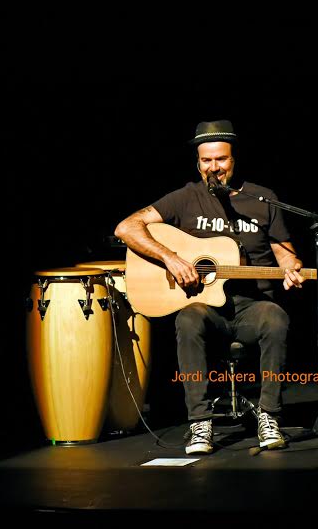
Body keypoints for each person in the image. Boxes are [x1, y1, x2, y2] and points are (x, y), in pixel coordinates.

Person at [114, 119, 305, 455]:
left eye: (221, 159)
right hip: (206, 308)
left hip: (251, 306)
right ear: (198, 162)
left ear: (234, 159)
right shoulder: (185, 199)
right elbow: (127, 227)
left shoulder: (263, 198)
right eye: (206, 161)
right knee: (187, 319)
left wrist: (293, 269)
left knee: (276, 318)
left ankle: (270, 415)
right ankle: (200, 423)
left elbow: (284, 255)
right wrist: (171, 258)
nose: (213, 168)